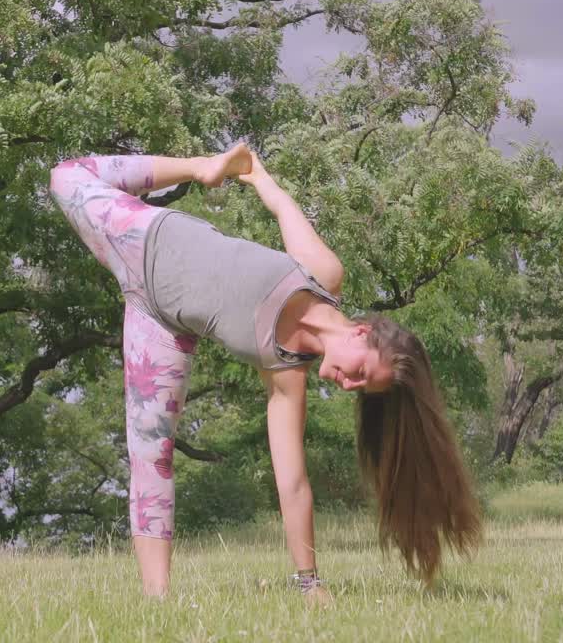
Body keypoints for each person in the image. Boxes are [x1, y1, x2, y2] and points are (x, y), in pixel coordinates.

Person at [48, 144, 482, 601]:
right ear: (362, 333)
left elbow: (292, 485)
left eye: (359, 389)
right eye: (360, 373)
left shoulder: (285, 373)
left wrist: (309, 583)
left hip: (159, 321)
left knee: (150, 454)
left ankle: (156, 601)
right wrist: (240, 171)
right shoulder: (321, 274)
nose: (348, 384)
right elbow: (280, 205)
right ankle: (194, 166)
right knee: (65, 176)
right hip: (147, 237)